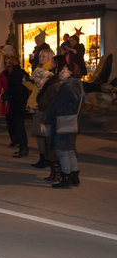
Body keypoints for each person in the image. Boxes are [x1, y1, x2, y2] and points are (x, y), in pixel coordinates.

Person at [41, 59, 84, 188]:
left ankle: (66, 177)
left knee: (62, 151)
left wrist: (46, 120)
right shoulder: (78, 85)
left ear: (70, 73)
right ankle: (74, 176)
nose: (61, 73)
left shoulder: (66, 86)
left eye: (64, 71)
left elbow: (56, 106)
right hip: (73, 120)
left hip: (63, 120)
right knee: (70, 150)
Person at [4, 57, 30, 158]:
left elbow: (14, 88)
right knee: (19, 127)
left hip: (17, 104)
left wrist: (8, 94)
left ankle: (23, 148)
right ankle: (22, 148)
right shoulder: (20, 72)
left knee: (19, 127)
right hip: (20, 103)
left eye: (7, 62)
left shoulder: (15, 73)